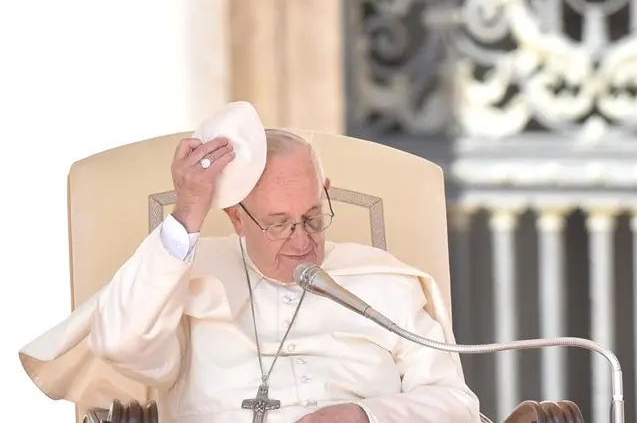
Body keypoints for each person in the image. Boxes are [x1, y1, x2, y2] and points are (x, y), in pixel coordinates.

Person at [19, 104, 481, 423]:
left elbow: (457, 406)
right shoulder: (187, 275)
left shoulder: (386, 281)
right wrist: (187, 213)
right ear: (237, 218)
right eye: (279, 224)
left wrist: (365, 416)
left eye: (314, 216)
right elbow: (122, 342)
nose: (303, 241)